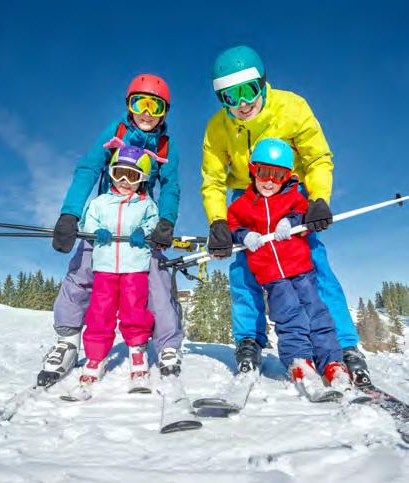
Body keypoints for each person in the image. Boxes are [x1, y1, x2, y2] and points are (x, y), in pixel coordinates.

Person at [201, 45, 370, 386]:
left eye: (248, 91)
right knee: (245, 267)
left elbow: (317, 157)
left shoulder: (291, 107)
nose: (242, 104)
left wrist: (318, 198)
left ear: (262, 83)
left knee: (312, 263)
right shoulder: (218, 127)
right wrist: (218, 222)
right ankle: (249, 339)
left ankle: (344, 345)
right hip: (246, 197)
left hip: (290, 193)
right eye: (230, 97)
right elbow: (213, 180)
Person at [39, 74, 183, 387]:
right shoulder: (116, 132)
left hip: (140, 225)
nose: (147, 113)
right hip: (104, 222)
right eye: (140, 103)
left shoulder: (165, 145)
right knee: (81, 271)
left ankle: (167, 345)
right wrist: (70, 214)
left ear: (164, 112)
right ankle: (67, 341)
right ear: (129, 106)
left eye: (155, 106)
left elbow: (170, 186)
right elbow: (89, 168)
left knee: (156, 279)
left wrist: (165, 222)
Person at [227, 138, 350, 391]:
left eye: (279, 175)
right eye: (264, 173)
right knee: (288, 316)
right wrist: (244, 235)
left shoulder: (293, 198)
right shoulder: (242, 205)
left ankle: (331, 361)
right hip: (272, 276)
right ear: (253, 170)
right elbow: (231, 226)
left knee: (317, 313)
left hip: (301, 270)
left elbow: (304, 213)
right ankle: (299, 360)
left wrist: (291, 221)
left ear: (287, 177)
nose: (270, 181)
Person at [80, 145, 158, 384]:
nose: (124, 181)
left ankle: (137, 350)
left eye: (132, 176)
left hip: (134, 266)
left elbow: (153, 223)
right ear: (111, 173)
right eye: (119, 173)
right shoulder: (100, 202)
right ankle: (95, 356)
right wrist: (96, 231)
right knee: (100, 311)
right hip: (105, 267)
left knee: (134, 309)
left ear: (142, 179)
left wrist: (143, 231)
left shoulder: (146, 204)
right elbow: (87, 222)